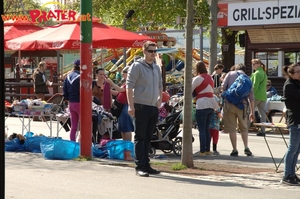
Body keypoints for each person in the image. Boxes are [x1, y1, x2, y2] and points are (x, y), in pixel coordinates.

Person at [126, 41, 163, 177]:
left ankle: (146, 164)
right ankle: (139, 166)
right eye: (150, 51)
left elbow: (160, 84)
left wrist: (159, 99)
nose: (153, 54)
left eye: (155, 51)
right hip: (140, 105)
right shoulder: (136, 66)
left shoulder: (156, 67)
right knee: (140, 137)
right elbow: (129, 86)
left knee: (148, 137)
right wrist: (131, 105)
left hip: (153, 106)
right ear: (144, 51)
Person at [221, 63, 255, 157]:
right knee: (244, 128)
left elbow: (223, 87)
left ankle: (234, 149)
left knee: (232, 129)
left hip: (229, 105)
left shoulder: (230, 74)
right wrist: (252, 112)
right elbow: (251, 97)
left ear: (236, 68)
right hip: (242, 106)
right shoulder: (247, 78)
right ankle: (246, 147)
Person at [192, 61, 219, 156]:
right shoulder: (211, 78)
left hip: (201, 104)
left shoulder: (197, 79)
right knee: (207, 128)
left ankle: (202, 150)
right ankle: (207, 149)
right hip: (211, 104)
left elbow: (189, 90)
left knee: (202, 129)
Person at [281, 63, 300, 185]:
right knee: (292, 148)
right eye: (298, 71)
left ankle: (292, 173)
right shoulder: (289, 85)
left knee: (297, 149)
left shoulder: (297, 83)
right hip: (295, 119)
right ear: (291, 74)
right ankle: (287, 175)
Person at [106, 66, 134, 142]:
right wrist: (108, 90)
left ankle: (127, 144)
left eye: (123, 73)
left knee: (126, 127)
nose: (122, 75)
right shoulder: (125, 83)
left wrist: (111, 83)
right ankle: (125, 143)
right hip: (120, 106)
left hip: (124, 106)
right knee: (122, 127)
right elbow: (118, 92)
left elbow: (120, 90)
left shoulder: (129, 83)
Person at [63, 60, 80, 142]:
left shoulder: (68, 76)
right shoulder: (81, 76)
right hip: (80, 102)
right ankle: (83, 145)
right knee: (85, 125)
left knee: (74, 126)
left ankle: (72, 142)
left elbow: (64, 90)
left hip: (71, 103)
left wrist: (67, 99)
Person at [251, 59, 268, 136]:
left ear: (258, 64)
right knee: (262, 114)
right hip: (263, 96)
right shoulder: (264, 73)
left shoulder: (257, 73)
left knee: (249, 111)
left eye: (254, 64)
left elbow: (255, 86)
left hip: (256, 95)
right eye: (252, 64)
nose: (252, 65)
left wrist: (251, 95)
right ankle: (263, 130)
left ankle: (245, 128)